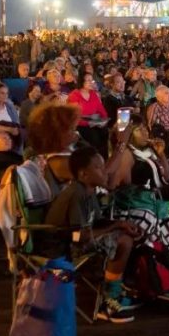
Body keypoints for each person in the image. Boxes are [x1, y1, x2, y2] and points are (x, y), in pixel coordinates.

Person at [45, 145, 142, 322]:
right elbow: (80, 234)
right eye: (98, 167)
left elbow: (96, 222)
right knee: (123, 241)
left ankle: (112, 293)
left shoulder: (88, 191)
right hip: (62, 249)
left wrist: (122, 225)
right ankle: (108, 300)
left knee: (126, 236)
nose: (105, 171)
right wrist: (116, 227)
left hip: (77, 240)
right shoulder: (77, 194)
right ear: (83, 174)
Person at [68, 72, 109, 152]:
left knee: (105, 132)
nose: (91, 83)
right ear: (82, 82)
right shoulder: (74, 95)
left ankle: (104, 159)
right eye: (88, 80)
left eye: (92, 80)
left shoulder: (93, 94)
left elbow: (102, 110)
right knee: (93, 137)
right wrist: (92, 122)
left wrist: (104, 120)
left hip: (95, 121)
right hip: (82, 125)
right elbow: (76, 118)